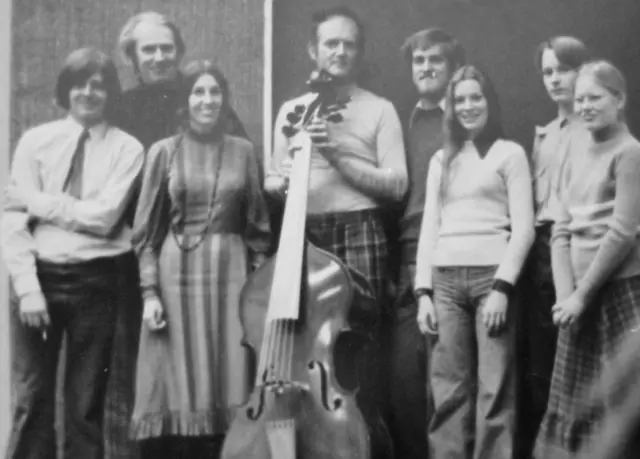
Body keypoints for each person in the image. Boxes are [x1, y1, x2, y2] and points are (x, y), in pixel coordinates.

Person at [104, 12, 250, 458]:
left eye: (167, 48)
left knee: (215, 367)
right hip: (141, 257)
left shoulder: (212, 107)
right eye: (149, 49)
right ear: (132, 57)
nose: (160, 56)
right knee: (153, 369)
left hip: (214, 262)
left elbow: (239, 179)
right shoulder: (122, 110)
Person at [265, 6, 407, 458]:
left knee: (360, 344)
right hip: (305, 236)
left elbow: (397, 185)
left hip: (360, 228)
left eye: (349, 44)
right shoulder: (293, 111)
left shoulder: (379, 109)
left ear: (359, 52)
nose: (340, 51)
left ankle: (361, 446)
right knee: (306, 346)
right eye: (331, 43)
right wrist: (283, 179)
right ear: (314, 50)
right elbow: (271, 180)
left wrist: (340, 155)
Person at [0, 47, 144, 459]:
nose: (88, 92)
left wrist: (39, 203)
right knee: (32, 396)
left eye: (99, 85)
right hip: (38, 280)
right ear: (66, 90)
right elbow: (13, 222)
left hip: (97, 282)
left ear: (110, 93)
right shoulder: (36, 142)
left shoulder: (127, 149)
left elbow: (105, 218)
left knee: (85, 404)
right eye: (79, 84)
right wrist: (27, 289)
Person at [129, 60, 271, 459]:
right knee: (178, 383)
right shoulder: (162, 152)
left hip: (233, 278)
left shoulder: (244, 152)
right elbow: (145, 233)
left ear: (224, 100)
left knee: (232, 380)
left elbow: (258, 228)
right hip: (176, 278)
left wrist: (258, 291)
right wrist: (150, 292)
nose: (207, 100)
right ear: (185, 100)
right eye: (198, 92)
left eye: (215, 92)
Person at [414, 65, 535, 459]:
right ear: (451, 107)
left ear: (489, 102)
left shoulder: (510, 154)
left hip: (492, 284)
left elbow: (524, 230)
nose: (468, 106)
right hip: (445, 285)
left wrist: (503, 288)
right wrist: (423, 292)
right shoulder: (441, 160)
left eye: (475, 97)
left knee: (494, 388)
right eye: (460, 99)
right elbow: (429, 227)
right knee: (447, 388)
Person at [534, 60, 640, 459]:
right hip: (578, 300)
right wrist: (567, 297)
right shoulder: (574, 149)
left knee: (620, 403)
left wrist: (583, 294)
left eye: (595, 97)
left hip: (619, 294)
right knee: (570, 403)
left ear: (620, 99)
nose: (585, 106)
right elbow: (560, 228)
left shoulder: (630, 152)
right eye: (580, 99)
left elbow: (623, 231)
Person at [388, 27, 464, 459]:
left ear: (452, 67)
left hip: (455, 249)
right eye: (419, 61)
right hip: (408, 251)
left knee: (450, 371)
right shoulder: (405, 121)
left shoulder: (469, 116)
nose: (427, 67)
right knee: (405, 378)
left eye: (436, 59)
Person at [518, 35, 590, 458]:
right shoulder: (543, 135)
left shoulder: (598, 128)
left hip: (582, 251)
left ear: (583, 70)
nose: (555, 79)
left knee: (582, 360)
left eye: (563, 68)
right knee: (542, 364)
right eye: (547, 71)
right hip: (540, 254)